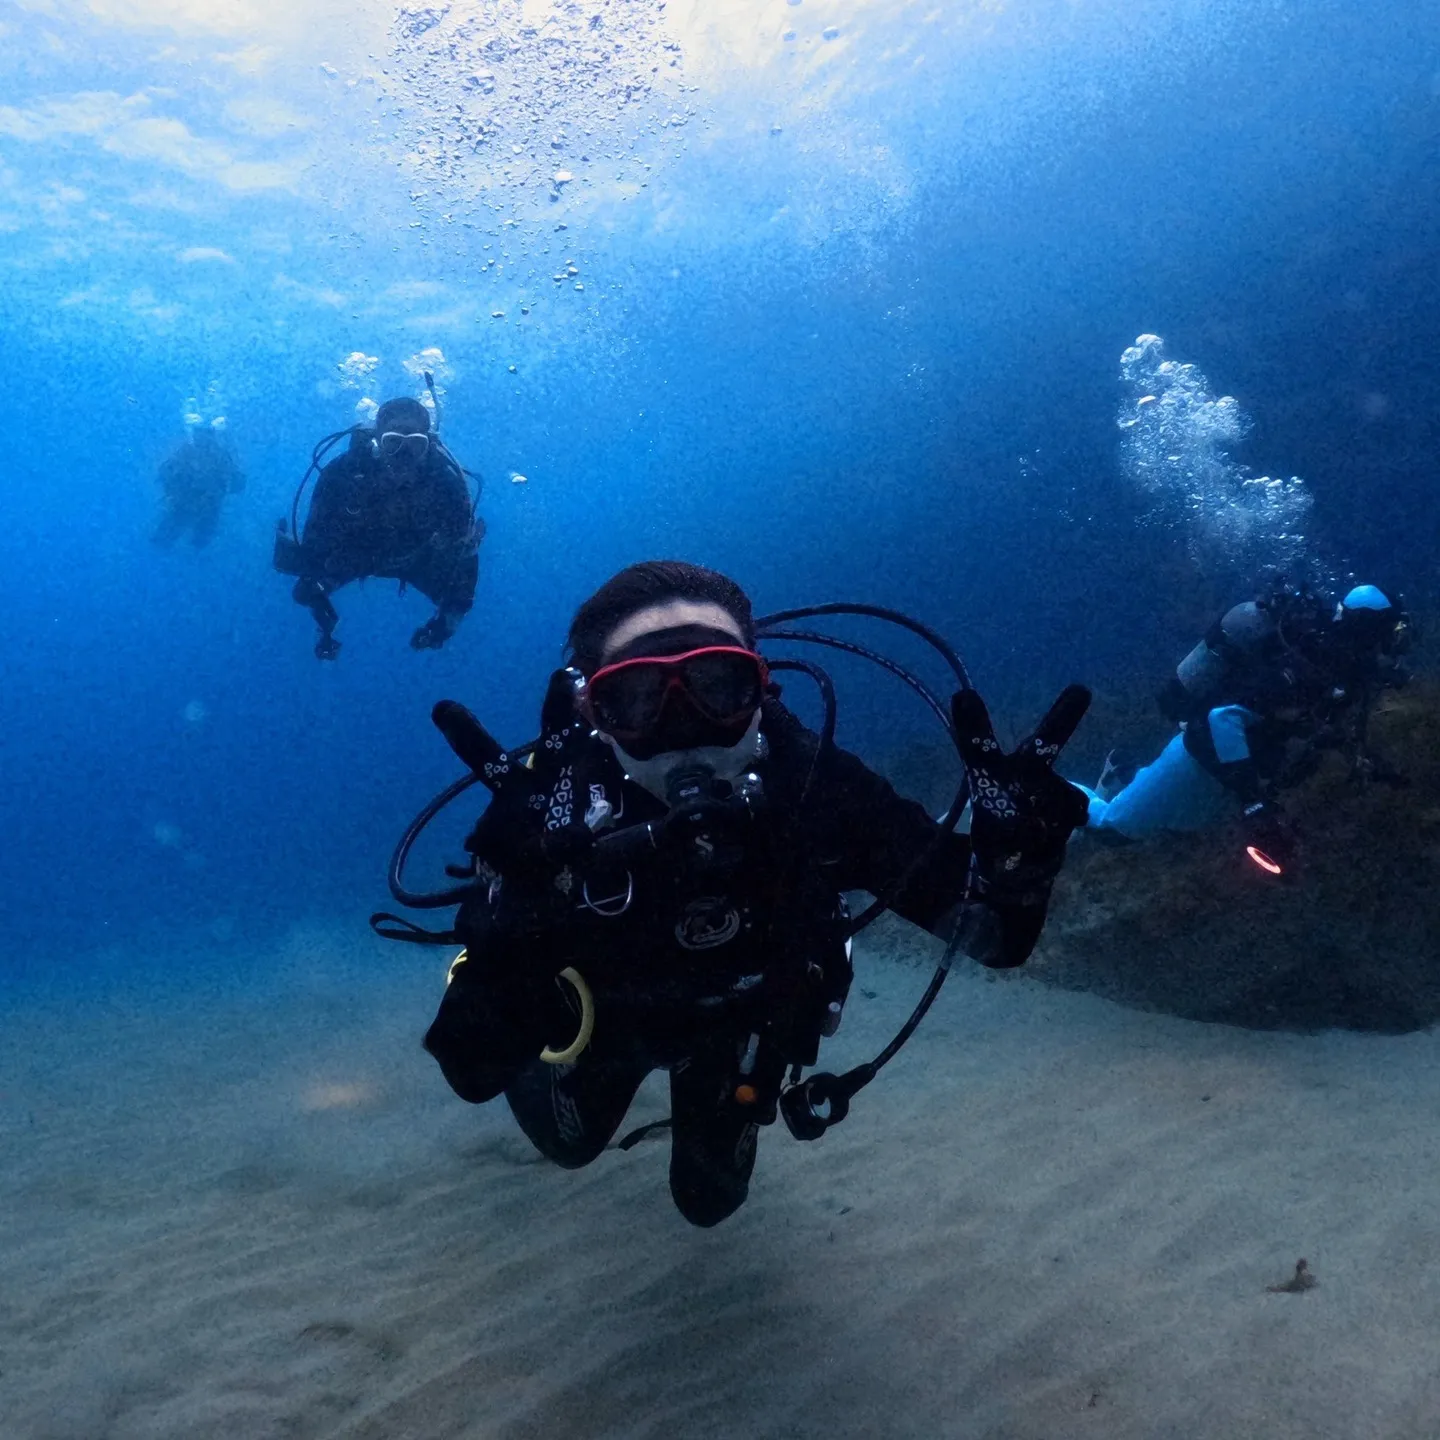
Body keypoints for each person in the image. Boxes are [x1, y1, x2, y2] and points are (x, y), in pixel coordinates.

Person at [413, 561, 1091, 1227]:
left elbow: (996, 939)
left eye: (716, 685)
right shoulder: (551, 815)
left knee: (710, 1203)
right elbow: (472, 1071)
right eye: (641, 697)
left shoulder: (816, 787)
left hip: (745, 1025)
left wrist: (1018, 864)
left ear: (761, 690)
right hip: (608, 1023)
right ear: (596, 711)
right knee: (570, 1144)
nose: (686, 727)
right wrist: (519, 900)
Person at [1081, 582, 1411, 866]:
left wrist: (1370, 762)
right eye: (1394, 634)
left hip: (1225, 778)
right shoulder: (1302, 670)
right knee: (1110, 830)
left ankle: (1123, 771)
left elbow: (1324, 728)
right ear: (1369, 629)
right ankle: (1038, 780)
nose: (1397, 646)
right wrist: (1253, 802)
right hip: (1198, 764)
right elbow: (1222, 717)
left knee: (1173, 827)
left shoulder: (1339, 673)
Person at [273, 396, 482, 660]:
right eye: (393, 442)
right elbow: (315, 541)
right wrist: (317, 600)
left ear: (428, 446)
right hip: (356, 555)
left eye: (416, 445)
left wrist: (445, 625)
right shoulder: (343, 475)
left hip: (418, 557)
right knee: (305, 591)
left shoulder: (445, 483)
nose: (404, 457)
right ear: (376, 441)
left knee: (455, 600)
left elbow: (465, 553)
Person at [152, 426, 245, 548]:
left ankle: (191, 558)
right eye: (199, 434)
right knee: (169, 536)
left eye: (205, 434)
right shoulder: (188, 451)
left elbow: (236, 480)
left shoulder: (218, 454)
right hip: (188, 500)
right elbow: (165, 471)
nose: (201, 438)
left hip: (203, 502)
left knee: (199, 540)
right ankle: (173, 555)